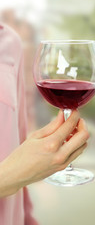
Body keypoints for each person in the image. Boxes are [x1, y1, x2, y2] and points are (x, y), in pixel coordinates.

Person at [0, 23, 89, 225]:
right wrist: (7, 178)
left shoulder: (8, 41)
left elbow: (18, 139)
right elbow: (17, 169)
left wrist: (28, 219)